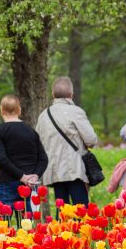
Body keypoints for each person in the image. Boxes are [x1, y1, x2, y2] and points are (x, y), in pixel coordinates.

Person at [36, 77, 98, 207]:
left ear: (53, 95)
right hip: (74, 169)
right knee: (80, 210)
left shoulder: (43, 116)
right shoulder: (76, 112)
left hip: (53, 171)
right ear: (71, 95)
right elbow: (91, 140)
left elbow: (38, 143)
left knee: (62, 211)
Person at [0, 95, 48, 220]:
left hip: (6, 182)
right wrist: (34, 175)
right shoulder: (31, 131)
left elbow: (1, 158)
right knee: (27, 226)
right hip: (30, 184)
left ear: (1, 111)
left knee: (2, 226)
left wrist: (22, 177)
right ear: (19, 110)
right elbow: (43, 159)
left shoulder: (0, 131)